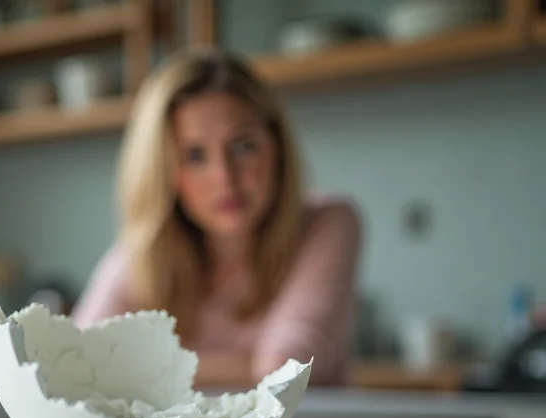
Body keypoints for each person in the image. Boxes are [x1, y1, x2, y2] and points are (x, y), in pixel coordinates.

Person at [72, 49, 362, 388]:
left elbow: (283, 370)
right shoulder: (145, 253)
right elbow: (79, 363)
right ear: (163, 173)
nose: (225, 178)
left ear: (277, 146)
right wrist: (245, 366)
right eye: (194, 156)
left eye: (243, 146)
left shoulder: (329, 223)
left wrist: (135, 367)